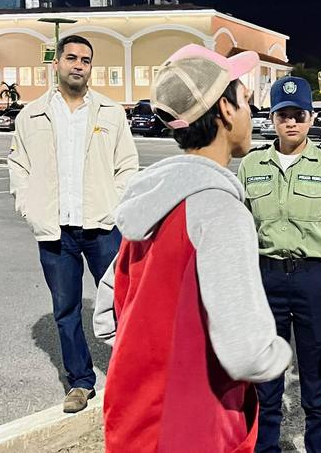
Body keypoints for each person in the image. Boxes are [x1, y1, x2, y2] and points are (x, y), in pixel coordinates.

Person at [93, 44, 292, 452]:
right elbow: (246, 354)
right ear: (225, 109)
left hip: (134, 418)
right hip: (196, 424)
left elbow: (105, 316)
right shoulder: (218, 209)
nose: (252, 115)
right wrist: (280, 356)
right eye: (246, 101)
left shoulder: (148, 202)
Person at [8, 34, 139, 413]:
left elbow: (127, 165)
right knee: (65, 310)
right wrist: (28, 206)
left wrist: (113, 206)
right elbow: (18, 166)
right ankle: (80, 382)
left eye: (85, 59)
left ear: (90, 67)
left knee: (123, 303)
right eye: (71, 58)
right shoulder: (30, 114)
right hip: (55, 232)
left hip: (101, 228)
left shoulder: (111, 113)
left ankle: (130, 375)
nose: (78, 65)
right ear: (57, 64)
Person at [237, 76, 321, 453]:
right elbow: (243, 231)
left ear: (311, 118)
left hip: (313, 280)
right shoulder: (251, 164)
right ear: (272, 119)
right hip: (266, 279)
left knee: (316, 382)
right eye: (283, 115)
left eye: (299, 115)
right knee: (266, 384)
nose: (291, 122)